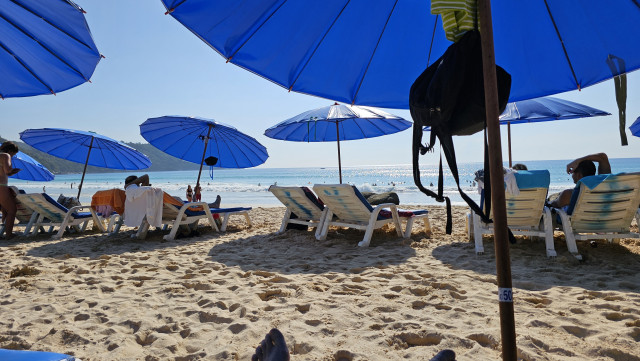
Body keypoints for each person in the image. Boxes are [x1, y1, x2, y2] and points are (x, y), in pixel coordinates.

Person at [0, 142, 21, 240]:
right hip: (1, 186)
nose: (12, 157)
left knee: (4, 211)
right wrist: (15, 170)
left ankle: (2, 232)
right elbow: (8, 170)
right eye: (13, 154)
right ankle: (8, 234)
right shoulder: (5, 155)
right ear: (10, 151)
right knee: (12, 210)